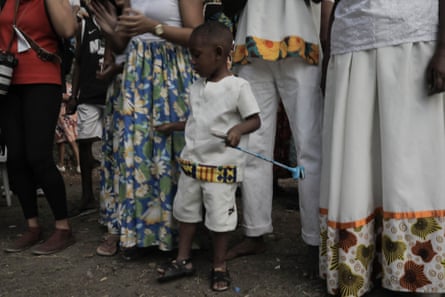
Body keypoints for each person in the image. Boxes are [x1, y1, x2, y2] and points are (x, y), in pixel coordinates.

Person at [319, 1, 445, 297]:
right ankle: (365, 265)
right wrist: (329, 46)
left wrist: (443, 48)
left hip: (412, 37)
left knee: (411, 161)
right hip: (351, 38)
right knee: (357, 160)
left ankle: (417, 269)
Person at [89, 0, 204, 257]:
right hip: (138, 74)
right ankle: (144, 233)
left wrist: (154, 27)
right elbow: (124, 42)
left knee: (170, 153)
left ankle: (175, 234)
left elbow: (198, 35)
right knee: (139, 155)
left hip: (170, 73)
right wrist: (110, 30)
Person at [156, 21, 261, 292]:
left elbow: (255, 120)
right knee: (186, 213)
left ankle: (219, 265)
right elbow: (197, 122)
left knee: (219, 218)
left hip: (219, 169)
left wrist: (237, 129)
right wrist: (175, 126)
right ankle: (183, 259)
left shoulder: (238, 87)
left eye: (196, 55)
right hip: (192, 166)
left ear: (218, 52)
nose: (191, 61)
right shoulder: (195, 87)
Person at [223, 0, 323, 276]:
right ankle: (254, 231)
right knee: (253, 147)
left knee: (309, 149)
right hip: (252, 43)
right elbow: (230, 5)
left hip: (299, 39)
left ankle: (315, 239)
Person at [0, 0, 77, 255]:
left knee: (38, 155)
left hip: (42, 80)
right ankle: (32, 226)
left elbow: (68, 29)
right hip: (7, 82)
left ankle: (63, 228)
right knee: (17, 158)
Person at [66, 4, 109, 213]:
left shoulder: (118, 22)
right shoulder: (84, 26)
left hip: (112, 95)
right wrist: (74, 95)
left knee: (112, 147)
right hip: (89, 95)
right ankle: (87, 196)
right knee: (85, 143)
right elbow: (79, 63)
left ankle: (111, 194)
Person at [55, 82, 81, 175]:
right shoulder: (62, 85)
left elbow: (68, 97)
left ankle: (79, 164)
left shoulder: (68, 86)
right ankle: (61, 164)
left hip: (66, 116)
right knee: (60, 141)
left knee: (72, 140)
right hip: (59, 116)